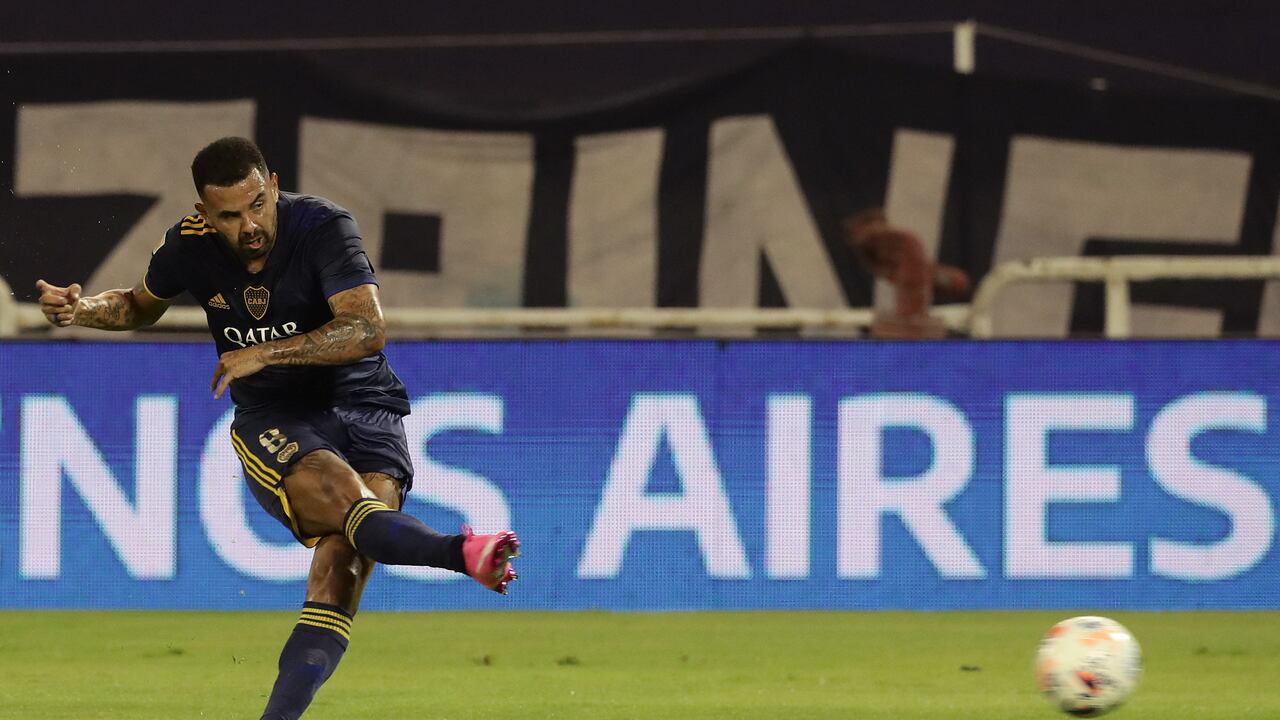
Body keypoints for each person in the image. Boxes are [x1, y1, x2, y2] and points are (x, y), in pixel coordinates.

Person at [35, 136, 520, 720]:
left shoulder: (322, 227)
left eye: (258, 204)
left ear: (274, 183)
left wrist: (268, 352)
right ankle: (462, 552)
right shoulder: (188, 247)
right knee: (348, 500)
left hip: (364, 402)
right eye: (231, 216)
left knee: (341, 566)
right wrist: (82, 310)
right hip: (278, 419)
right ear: (203, 215)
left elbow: (365, 330)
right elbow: (141, 304)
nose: (250, 226)